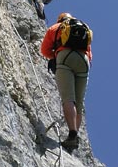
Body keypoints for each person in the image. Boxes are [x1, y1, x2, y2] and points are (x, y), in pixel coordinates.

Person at [40, 12, 93, 150]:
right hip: (84, 62)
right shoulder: (84, 28)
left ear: (60, 19)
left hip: (65, 57)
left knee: (68, 98)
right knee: (79, 103)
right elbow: (89, 53)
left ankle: (72, 134)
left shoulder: (56, 27)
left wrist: (56, 56)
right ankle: (74, 135)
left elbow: (44, 50)